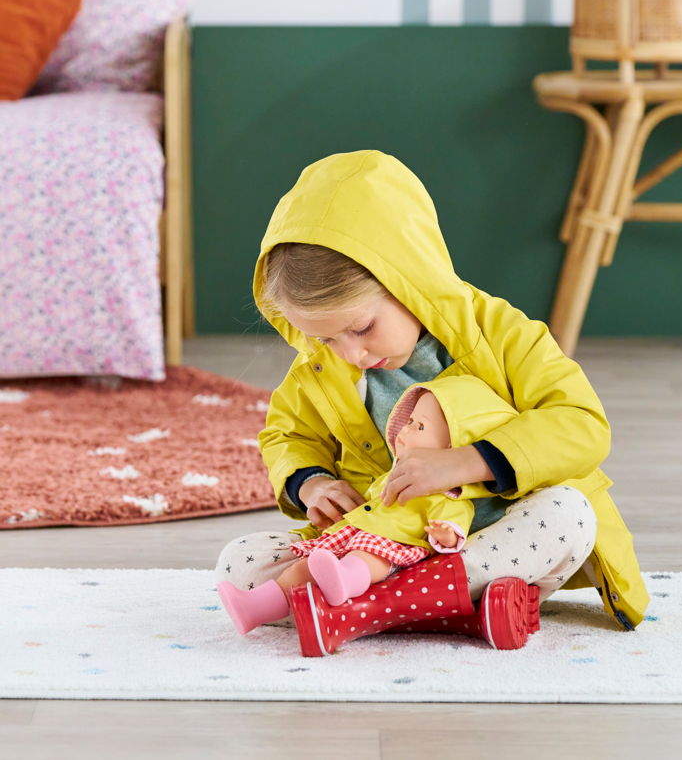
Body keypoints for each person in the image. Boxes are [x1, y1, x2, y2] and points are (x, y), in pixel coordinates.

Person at [215, 150, 649, 653]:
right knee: (239, 563)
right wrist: (311, 484)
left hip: (489, 539)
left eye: (361, 327)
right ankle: (460, 612)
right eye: (326, 339)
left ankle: (369, 610)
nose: (351, 354)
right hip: (380, 543)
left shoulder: (502, 333)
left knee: (570, 515)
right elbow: (287, 435)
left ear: (409, 278)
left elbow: (581, 423)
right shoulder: (320, 366)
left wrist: (465, 463)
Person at [217, 376, 521, 638]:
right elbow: (371, 504)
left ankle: (344, 585)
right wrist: (336, 515)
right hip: (357, 535)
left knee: (365, 560)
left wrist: (445, 533)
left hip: (392, 548)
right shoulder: (390, 475)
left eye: (419, 426)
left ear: (452, 446)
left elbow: (456, 528)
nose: (405, 430)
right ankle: (252, 608)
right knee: (301, 570)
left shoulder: (451, 495)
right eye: (409, 421)